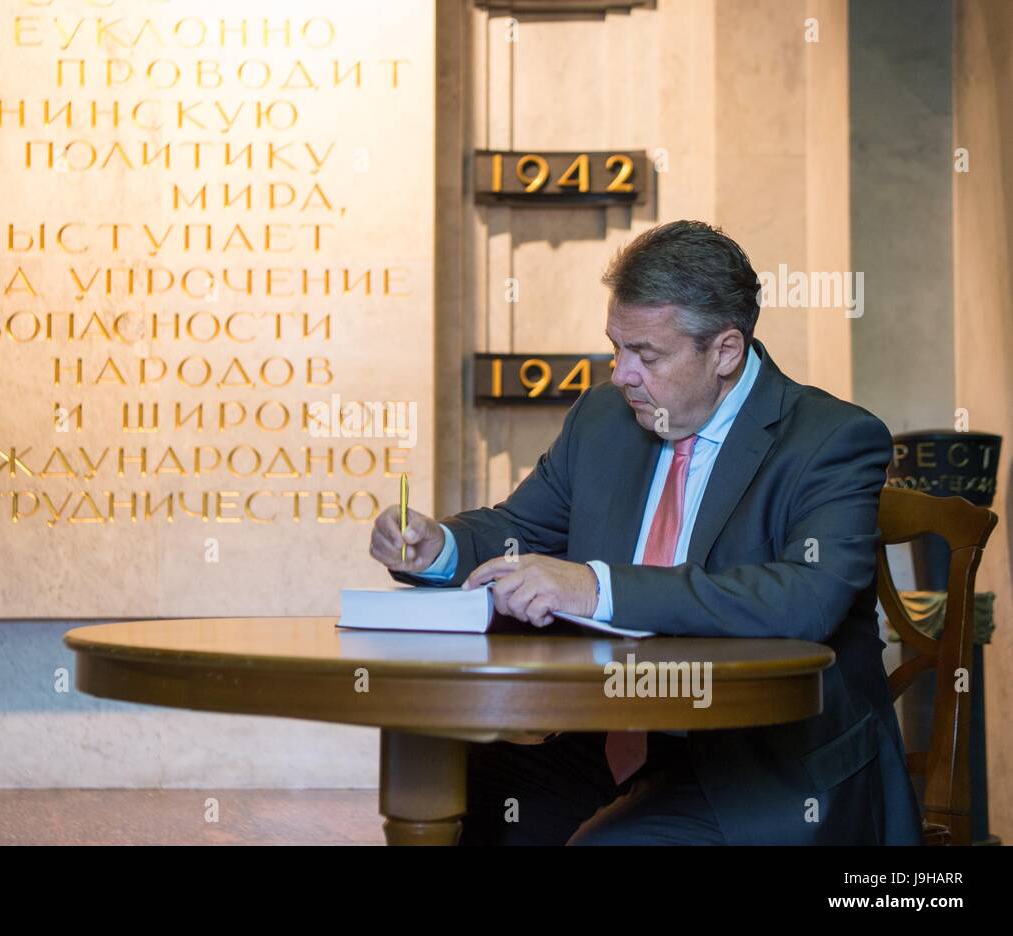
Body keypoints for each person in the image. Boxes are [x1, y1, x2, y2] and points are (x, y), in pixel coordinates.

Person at [368, 220, 921, 845]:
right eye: (616, 347)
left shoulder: (831, 439)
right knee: (467, 795)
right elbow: (520, 530)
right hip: (610, 737)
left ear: (726, 352)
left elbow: (807, 598)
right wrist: (437, 546)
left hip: (759, 763)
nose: (622, 373)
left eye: (646, 355)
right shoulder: (604, 417)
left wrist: (594, 589)